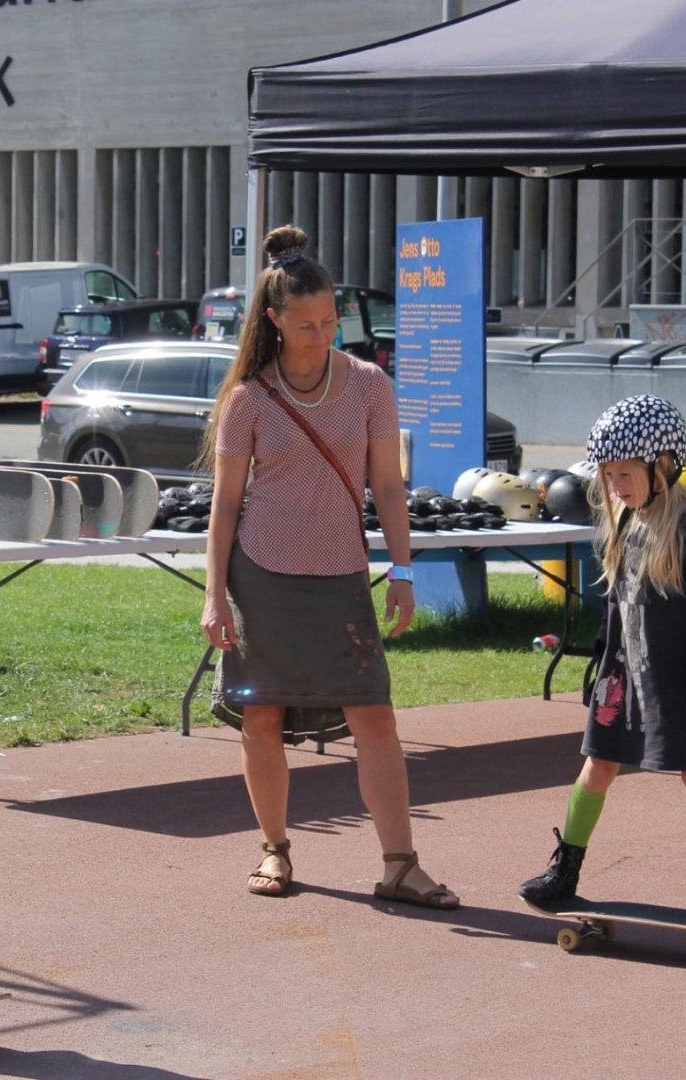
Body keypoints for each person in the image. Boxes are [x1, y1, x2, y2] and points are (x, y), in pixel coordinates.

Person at [199, 225, 458, 909]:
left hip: (342, 575)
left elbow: (390, 489)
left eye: (329, 321)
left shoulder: (369, 384)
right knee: (262, 720)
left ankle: (400, 863)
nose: (321, 334)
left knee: (376, 716)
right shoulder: (248, 399)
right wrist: (213, 598)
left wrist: (402, 571)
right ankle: (275, 850)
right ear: (275, 320)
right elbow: (224, 509)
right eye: (306, 324)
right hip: (261, 575)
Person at [519, 395, 686, 933]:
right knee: (596, 766)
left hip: (677, 684)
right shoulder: (628, 522)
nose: (615, 487)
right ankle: (566, 873)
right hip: (623, 680)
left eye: (624, 474)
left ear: (664, 466)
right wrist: (601, 666)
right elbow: (616, 605)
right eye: (607, 476)